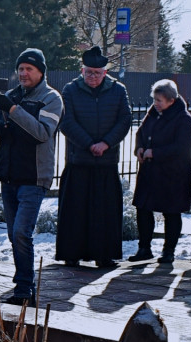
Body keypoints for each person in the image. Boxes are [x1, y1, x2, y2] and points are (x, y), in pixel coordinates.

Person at [0, 48, 63, 306]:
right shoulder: (10, 95)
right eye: (20, 69)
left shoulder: (51, 98)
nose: (23, 73)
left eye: (29, 69)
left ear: (41, 72)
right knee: (12, 235)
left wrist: (14, 111)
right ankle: (23, 281)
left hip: (34, 177)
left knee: (21, 232)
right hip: (9, 175)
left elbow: (42, 132)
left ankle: (24, 289)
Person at [55, 46, 131, 269]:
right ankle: (71, 254)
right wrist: (89, 144)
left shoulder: (118, 90)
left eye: (97, 73)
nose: (93, 77)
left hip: (106, 162)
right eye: (89, 72)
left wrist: (106, 143)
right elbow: (66, 122)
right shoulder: (70, 90)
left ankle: (105, 256)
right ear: (82, 70)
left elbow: (124, 120)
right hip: (79, 160)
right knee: (75, 211)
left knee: (105, 213)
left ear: (105, 73)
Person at [130, 80, 191, 264]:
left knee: (171, 212)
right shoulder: (153, 114)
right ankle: (144, 248)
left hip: (173, 174)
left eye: (160, 100)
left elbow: (181, 147)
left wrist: (156, 153)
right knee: (143, 208)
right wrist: (140, 148)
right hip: (150, 172)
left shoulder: (183, 118)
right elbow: (140, 134)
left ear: (171, 101)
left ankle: (169, 251)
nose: (156, 103)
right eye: (155, 99)